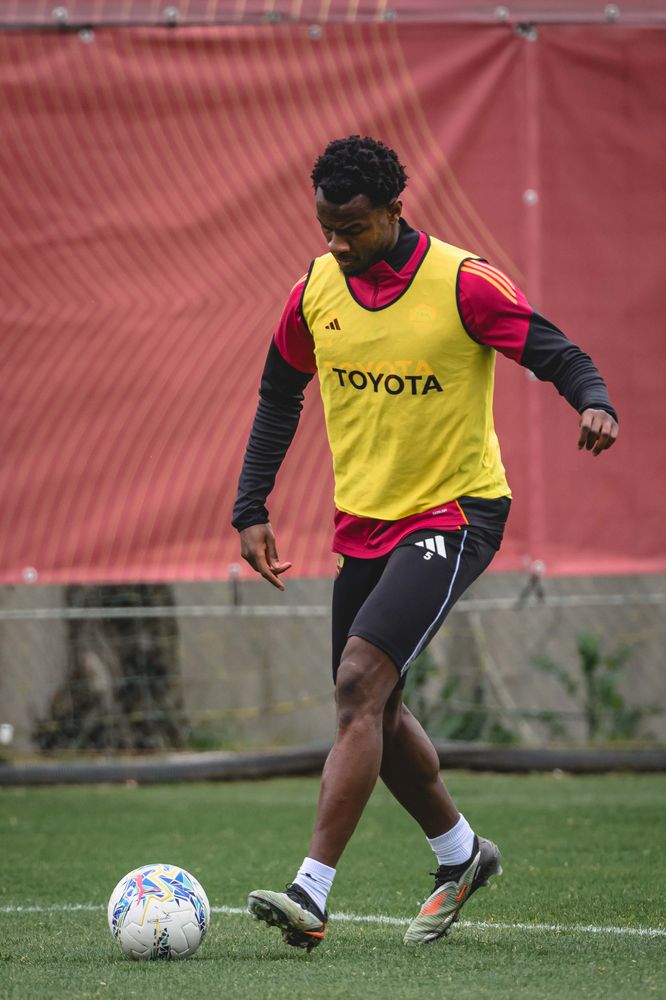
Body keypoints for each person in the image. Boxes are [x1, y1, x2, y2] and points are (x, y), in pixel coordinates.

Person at [232, 135, 618, 950]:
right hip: (364, 523)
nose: (336, 243)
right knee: (377, 706)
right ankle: (460, 854)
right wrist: (250, 505)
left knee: (356, 685)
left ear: (396, 211)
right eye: (326, 226)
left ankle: (312, 891)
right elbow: (277, 395)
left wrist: (593, 399)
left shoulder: (462, 283)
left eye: (353, 227)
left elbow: (554, 349)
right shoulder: (314, 292)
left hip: (456, 511)